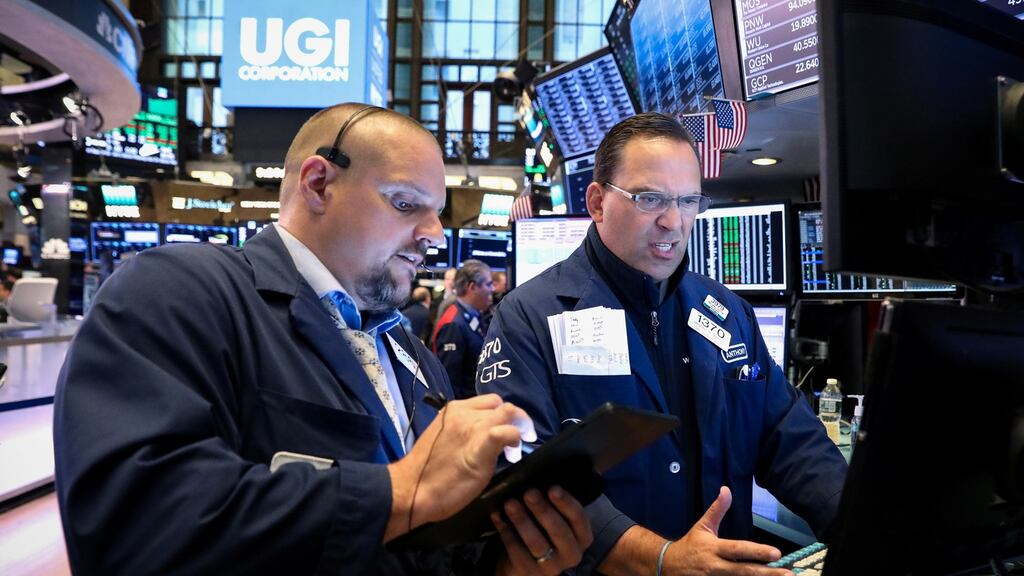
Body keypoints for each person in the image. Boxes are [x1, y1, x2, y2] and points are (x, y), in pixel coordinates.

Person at [53, 103, 591, 575]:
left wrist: (505, 565)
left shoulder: (412, 356)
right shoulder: (180, 291)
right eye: (406, 204)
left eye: (436, 213)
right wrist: (402, 491)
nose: (434, 234)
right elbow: (134, 527)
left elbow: (425, 546)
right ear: (318, 184)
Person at [477, 112, 848, 574]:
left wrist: (862, 527)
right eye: (649, 199)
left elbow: (790, 440)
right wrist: (659, 559)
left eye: (689, 201)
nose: (673, 222)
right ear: (597, 202)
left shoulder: (728, 312)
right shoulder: (529, 317)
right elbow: (526, 476)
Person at [433, 259, 494, 400]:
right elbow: (449, 383)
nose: (492, 289)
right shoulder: (453, 324)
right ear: (472, 287)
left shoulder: (473, 315)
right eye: (488, 284)